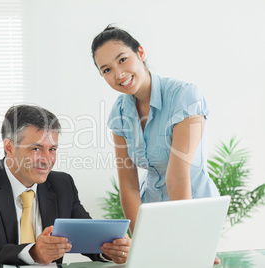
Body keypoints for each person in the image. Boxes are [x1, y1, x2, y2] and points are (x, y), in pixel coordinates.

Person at [0, 104, 131, 268]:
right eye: (36, 149)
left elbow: (90, 239)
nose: (47, 160)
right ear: (9, 147)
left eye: (52, 149)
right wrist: (33, 253)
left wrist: (111, 250)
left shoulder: (62, 185)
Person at [91, 26, 220, 232]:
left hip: (193, 214)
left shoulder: (184, 96)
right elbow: (128, 186)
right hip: (153, 214)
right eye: (106, 69)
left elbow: (177, 176)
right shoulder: (120, 112)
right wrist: (141, 237)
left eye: (122, 59)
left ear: (140, 53)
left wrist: (187, 238)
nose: (119, 74)